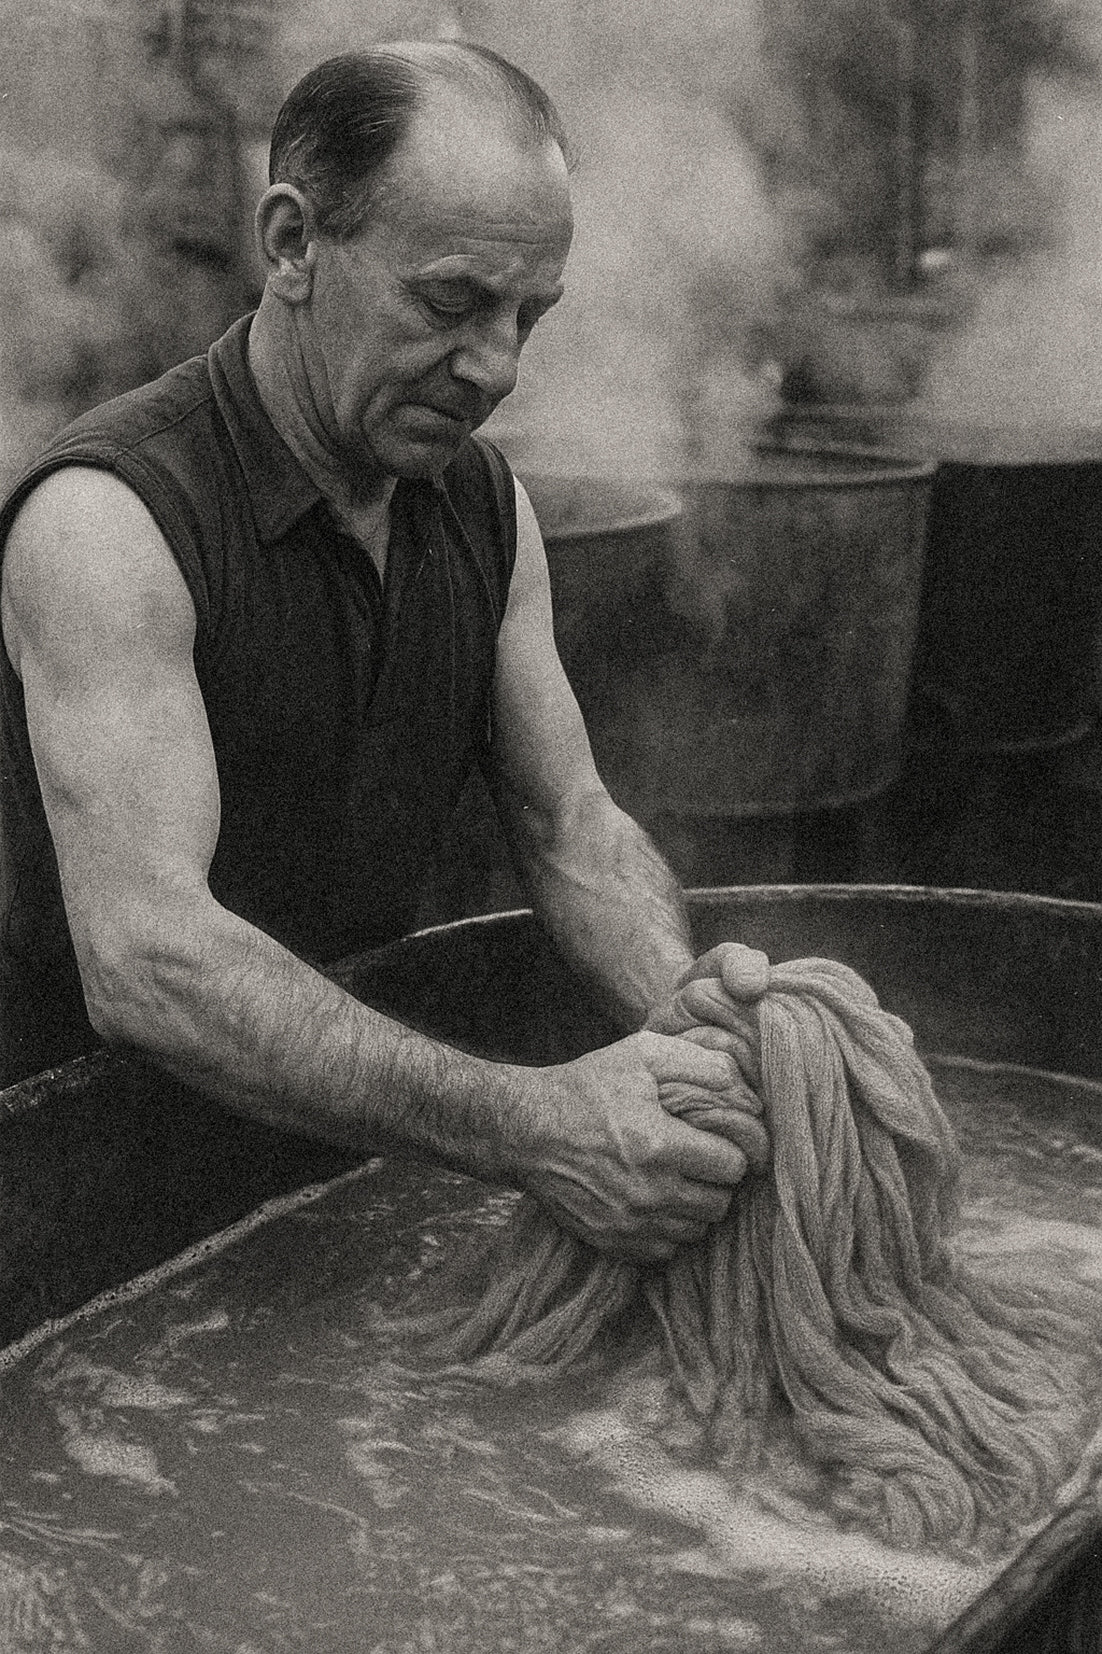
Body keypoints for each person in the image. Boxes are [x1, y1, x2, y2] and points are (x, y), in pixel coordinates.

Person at [0, 41, 769, 1261]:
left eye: (530, 315)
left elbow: (569, 824)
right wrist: (537, 1121)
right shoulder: (113, 523)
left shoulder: (483, 508)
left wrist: (683, 1012)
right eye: (452, 302)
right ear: (294, 243)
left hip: (348, 1149)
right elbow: (148, 960)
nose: (499, 368)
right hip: (83, 1206)